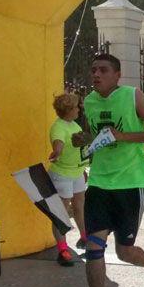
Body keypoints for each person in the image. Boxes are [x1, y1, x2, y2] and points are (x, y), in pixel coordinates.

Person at [71, 53, 144, 287]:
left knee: (124, 251)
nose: (96, 75)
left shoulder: (133, 96)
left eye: (103, 70)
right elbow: (97, 135)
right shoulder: (90, 102)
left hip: (130, 183)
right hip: (98, 182)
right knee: (94, 247)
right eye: (93, 70)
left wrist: (123, 136)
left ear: (117, 74)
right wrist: (83, 139)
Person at [47, 93, 87, 266]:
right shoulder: (58, 127)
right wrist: (57, 151)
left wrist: (83, 168)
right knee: (60, 213)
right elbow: (58, 143)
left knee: (80, 206)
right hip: (62, 174)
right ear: (68, 110)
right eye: (76, 107)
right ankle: (62, 249)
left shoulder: (73, 124)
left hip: (77, 172)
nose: (79, 109)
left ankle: (85, 237)